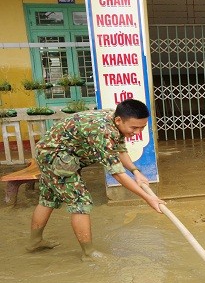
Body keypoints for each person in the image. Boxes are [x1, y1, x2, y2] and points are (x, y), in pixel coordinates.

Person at [26, 99, 165, 260]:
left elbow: (119, 150)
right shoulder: (102, 131)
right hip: (55, 157)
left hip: (51, 152)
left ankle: (35, 242)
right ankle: (89, 253)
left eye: (141, 127)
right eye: (134, 128)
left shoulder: (114, 118)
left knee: (48, 198)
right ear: (119, 120)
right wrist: (148, 198)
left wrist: (136, 171)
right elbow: (117, 174)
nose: (137, 132)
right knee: (80, 202)